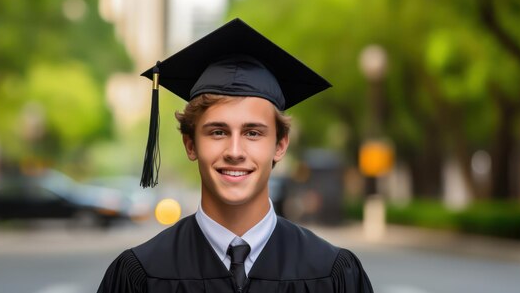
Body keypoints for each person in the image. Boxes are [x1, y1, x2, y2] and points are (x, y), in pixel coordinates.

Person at [97, 18, 373, 293]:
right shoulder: (140, 275)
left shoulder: (332, 274)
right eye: (218, 132)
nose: (235, 151)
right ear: (190, 145)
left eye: (253, 133)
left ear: (280, 145)